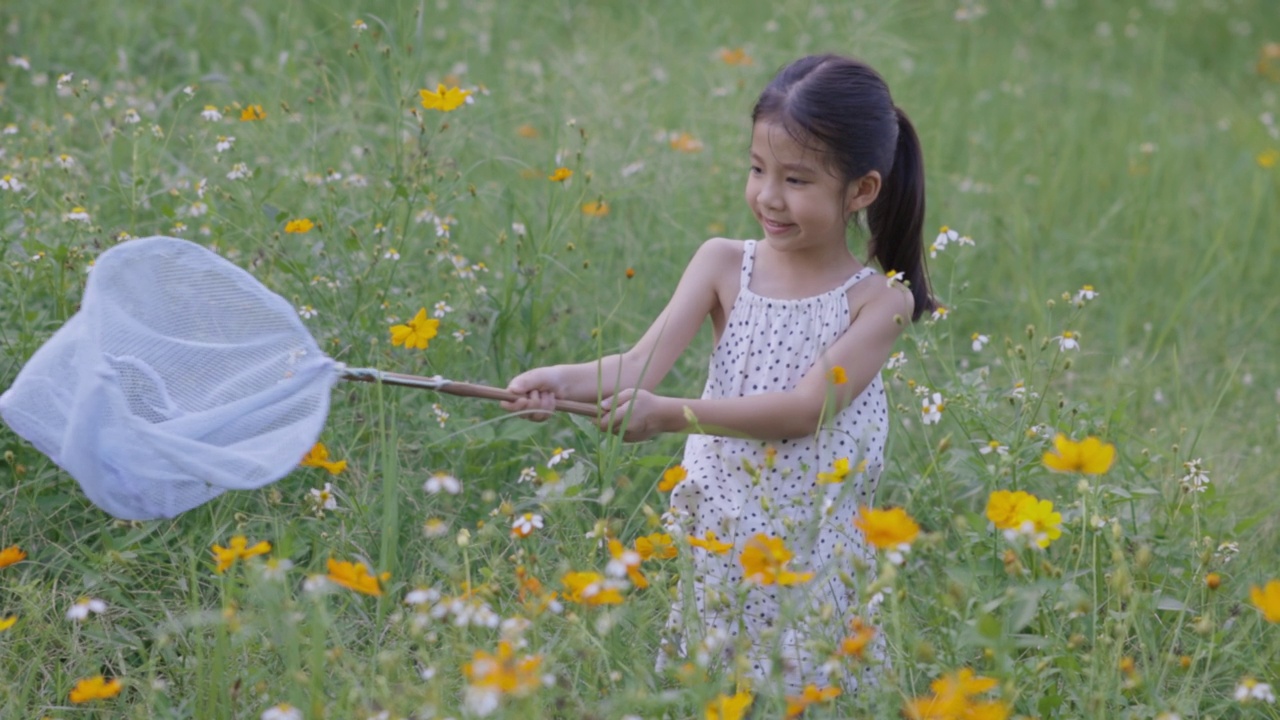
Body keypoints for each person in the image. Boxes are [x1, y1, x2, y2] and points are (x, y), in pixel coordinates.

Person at [502, 53, 934, 693]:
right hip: (722, 536)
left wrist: (671, 414)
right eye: (758, 170)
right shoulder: (725, 264)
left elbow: (806, 408)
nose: (768, 196)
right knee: (711, 690)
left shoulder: (877, 303)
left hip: (810, 553)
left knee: (808, 692)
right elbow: (635, 365)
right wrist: (558, 382)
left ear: (862, 190)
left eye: (797, 180)